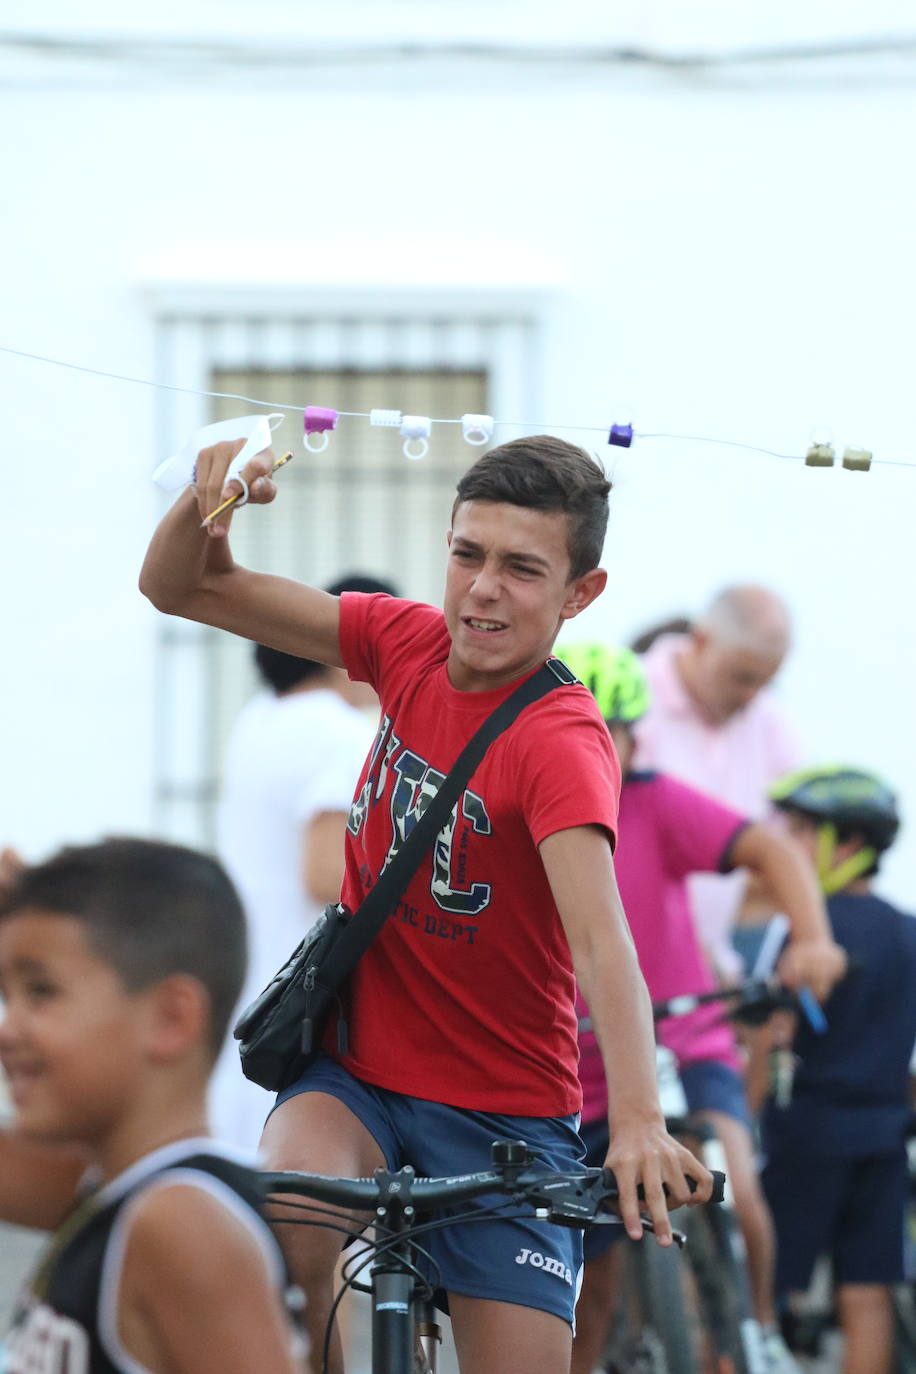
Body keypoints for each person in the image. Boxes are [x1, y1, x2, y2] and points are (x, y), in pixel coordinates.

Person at [139, 431, 716, 1374]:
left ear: (581, 593)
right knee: (289, 1222)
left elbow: (604, 944)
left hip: (505, 1120)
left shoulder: (560, 743)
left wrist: (639, 1123)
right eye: (467, 554)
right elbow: (181, 587)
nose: (484, 588)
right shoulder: (400, 640)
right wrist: (211, 505)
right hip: (354, 1076)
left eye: (523, 568)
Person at [558, 643, 846, 1374]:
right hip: (575, 1074)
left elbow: (771, 851)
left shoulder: (655, 802)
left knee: (738, 1194)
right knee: (586, 1289)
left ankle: (758, 1337)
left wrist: (812, 937)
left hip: (687, 1044)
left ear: (632, 735)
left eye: (609, 731)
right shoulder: (528, 810)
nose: (592, 746)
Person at [0, 837, 306, 1374]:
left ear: (171, 1018)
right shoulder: (107, 1188)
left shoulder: (180, 1223)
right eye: (7, 997)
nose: (7, 1029)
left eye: (41, 991)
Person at [210, 572, 397, 1152]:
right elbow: (323, 874)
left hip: (248, 971)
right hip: (303, 991)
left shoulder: (260, 717)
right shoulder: (340, 733)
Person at [761, 767, 916, 1374]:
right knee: (867, 1290)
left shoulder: (809, 932)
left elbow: (778, 1036)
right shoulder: (908, 933)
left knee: (769, 1290)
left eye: (801, 829)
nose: (787, 841)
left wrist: (747, 1124)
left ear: (847, 845)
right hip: (883, 1136)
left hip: (808, 1133)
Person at [633, 584, 802, 981]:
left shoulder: (770, 722)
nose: (752, 696)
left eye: (766, 682)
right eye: (742, 677)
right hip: (628, 966)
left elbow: (793, 848)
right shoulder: (633, 703)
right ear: (701, 640)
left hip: (710, 970)